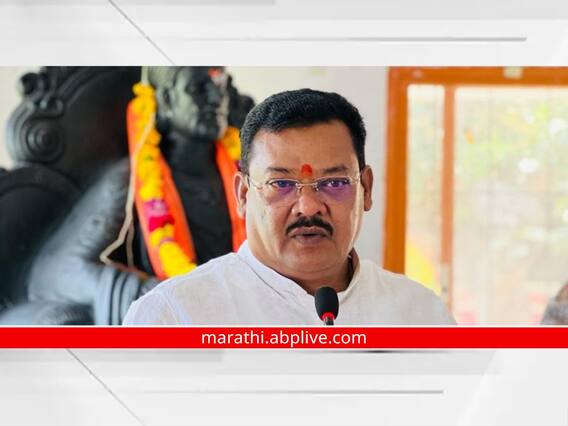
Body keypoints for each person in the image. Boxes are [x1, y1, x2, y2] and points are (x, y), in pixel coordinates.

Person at [124, 88, 456, 325]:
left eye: (334, 183)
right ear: (243, 195)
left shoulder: (421, 317)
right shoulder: (172, 317)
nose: (308, 207)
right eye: (281, 184)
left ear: (366, 189)